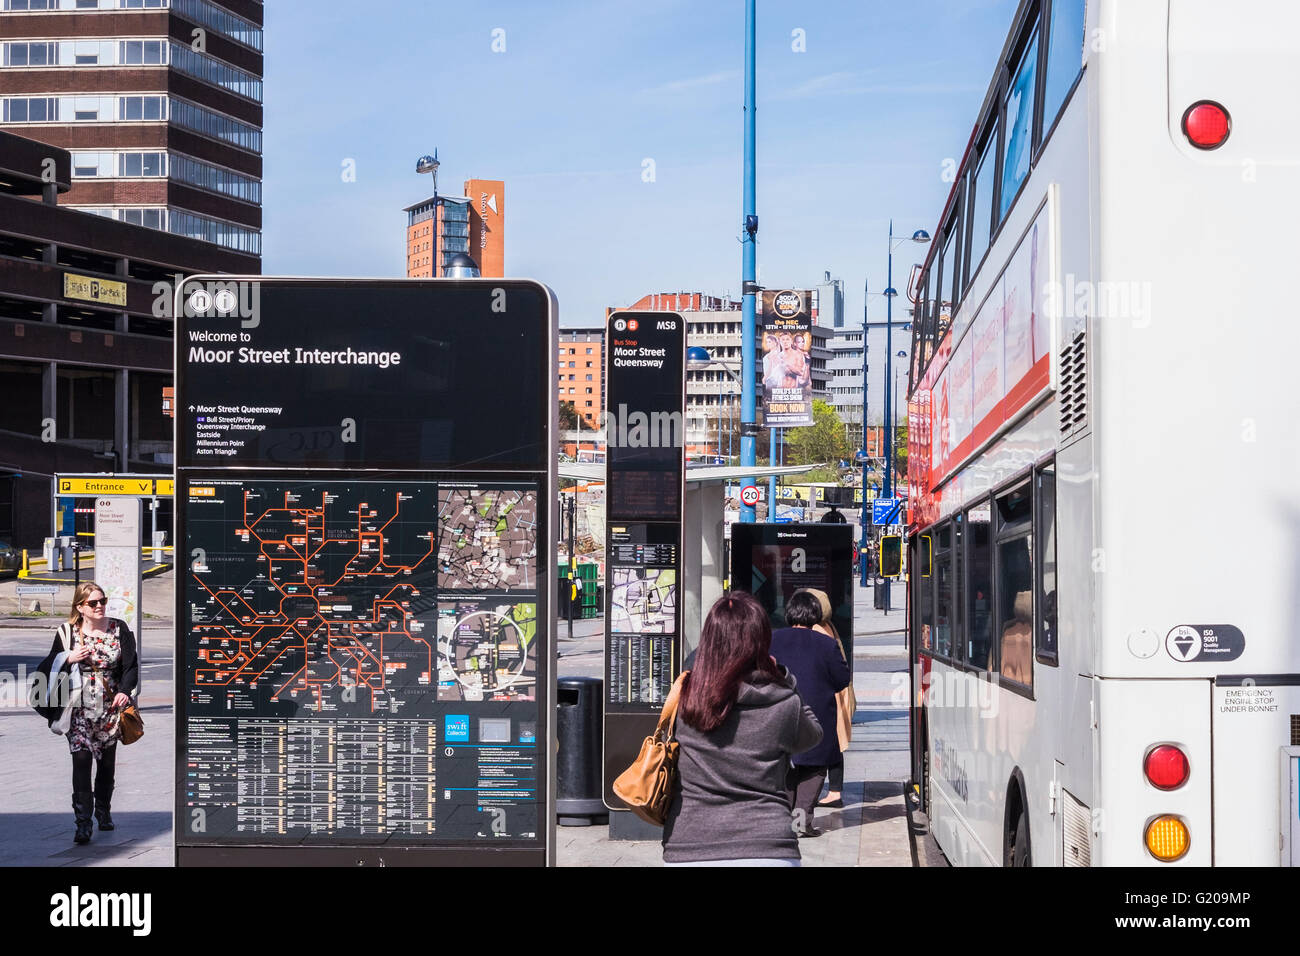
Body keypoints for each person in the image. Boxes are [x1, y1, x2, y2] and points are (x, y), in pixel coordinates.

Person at [662, 591, 822, 866]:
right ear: (761, 642)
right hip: (768, 846)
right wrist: (786, 679)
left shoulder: (686, 699)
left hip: (689, 845)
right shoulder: (783, 702)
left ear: (708, 641)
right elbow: (813, 735)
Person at [47, 581, 138, 844]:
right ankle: (83, 822)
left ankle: (103, 811)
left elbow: (131, 665)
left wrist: (125, 690)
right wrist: (70, 657)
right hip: (77, 707)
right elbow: (49, 665)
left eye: (102, 601)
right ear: (80, 607)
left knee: (106, 764)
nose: (99, 606)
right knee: (82, 761)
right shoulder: (67, 632)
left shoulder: (119, 628)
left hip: (110, 706)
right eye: (93, 603)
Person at [770, 590, 851, 835]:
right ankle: (801, 822)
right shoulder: (827, 644)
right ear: (815, 615)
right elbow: (841, 679)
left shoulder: (773, 639)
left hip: (781, 712)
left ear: (789, 612)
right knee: (814, 768)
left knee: (787, 766)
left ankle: (787, 822)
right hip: (817, 715)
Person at [793, 588, 855, 808]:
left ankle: (834, 792)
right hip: (836, 691)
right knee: (835, 741)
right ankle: (835, 791)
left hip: (829, 693)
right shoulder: (828, 625)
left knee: (832, 743)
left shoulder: (817, 628)